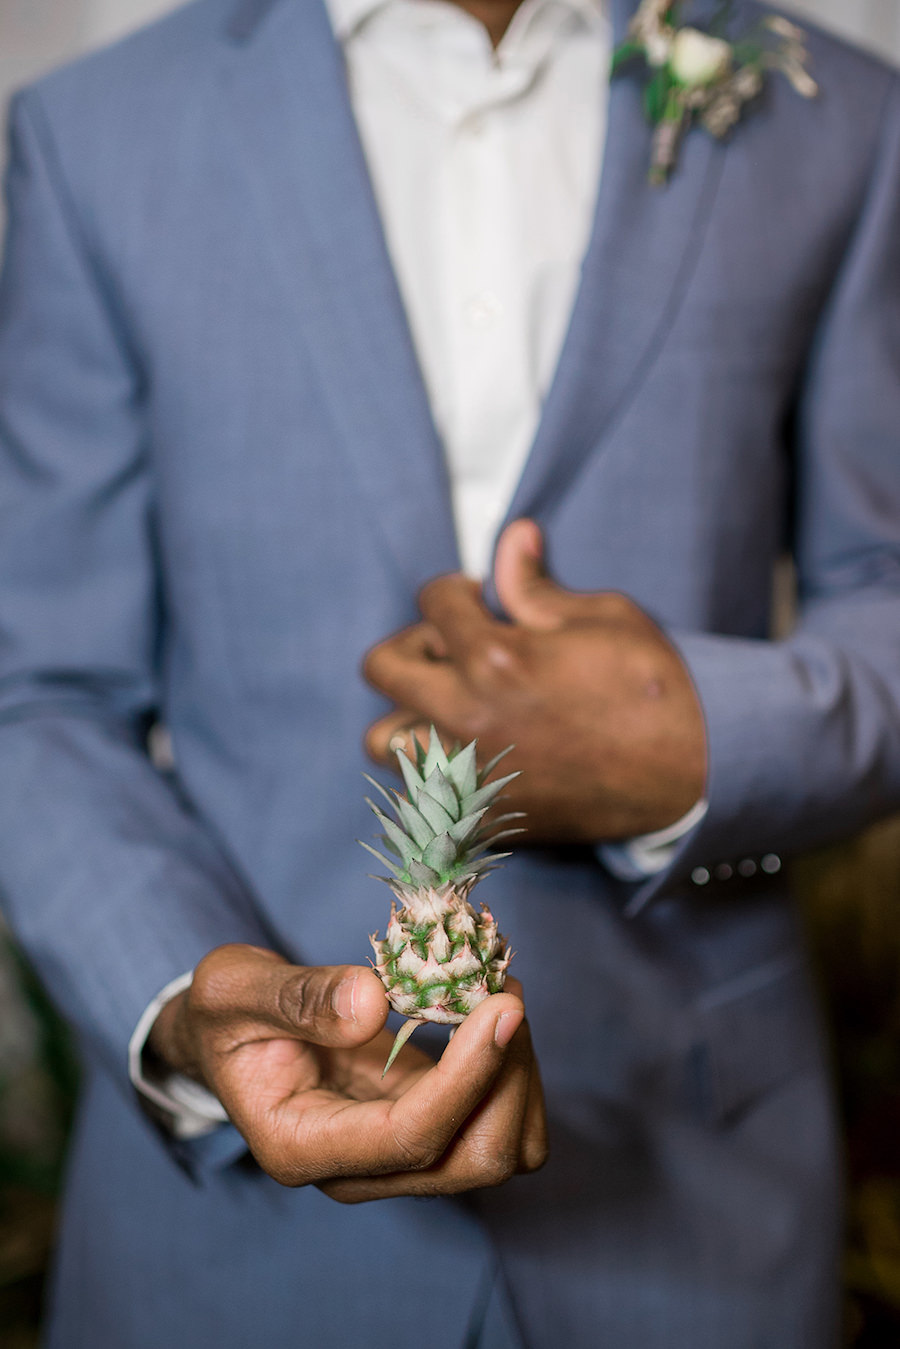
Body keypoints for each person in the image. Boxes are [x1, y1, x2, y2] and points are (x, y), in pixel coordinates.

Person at [0, 0, 899, 1344]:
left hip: (699, 1204)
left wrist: (703, 742)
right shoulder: (99, 135)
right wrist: (181, 1003)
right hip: (226, 1260)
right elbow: (38, 693)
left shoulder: (843, 118)